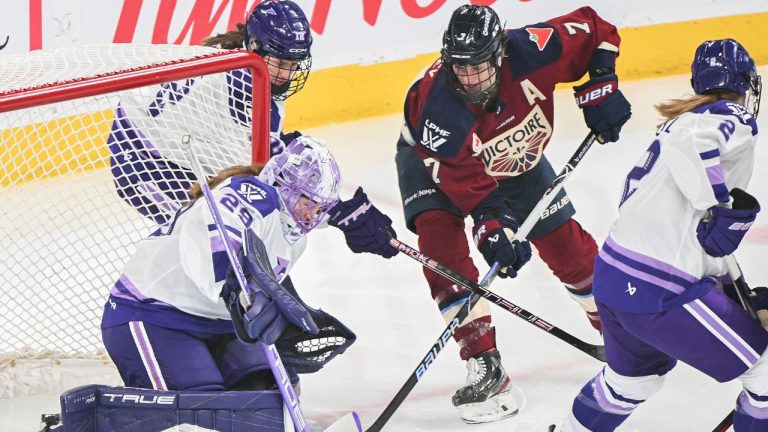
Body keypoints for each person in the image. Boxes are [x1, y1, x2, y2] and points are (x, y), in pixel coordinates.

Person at [394, 4, 632, 423]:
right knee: (442, 248)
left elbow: (596, 29)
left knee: (567, 247)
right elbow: (460, 175)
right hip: (435, 163)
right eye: (461, 69)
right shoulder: (437, 106)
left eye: (479, 68)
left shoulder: (533, 48)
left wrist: (602, 83)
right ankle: (483, 360)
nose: (469, 79)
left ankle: (621, 332)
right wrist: (492, 225)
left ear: (500, 53)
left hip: (512, 156)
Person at [551, 38, 764, 432]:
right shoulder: (728, 115)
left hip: (614, 277)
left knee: (630, 383)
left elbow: (673, 224)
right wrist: (715, 200)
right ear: (745, 85)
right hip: (658, 291)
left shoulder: (679, 122)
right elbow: (694, 149)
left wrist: (737, 290)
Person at [107, 0, 397, 259]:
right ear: (256, 47)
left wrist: (339, 209)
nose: (287, 74)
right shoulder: (243, 90)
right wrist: (339, 213)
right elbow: (271, 180)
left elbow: (268, 153)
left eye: (294, 64)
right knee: (228, 240)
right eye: (281, 63)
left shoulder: (241, 57)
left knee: (244, 232)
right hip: (142, 162)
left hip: (168, 141)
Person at [101, 136, 355, 398]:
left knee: (271, 393)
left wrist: (286, 315)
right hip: (152, 313)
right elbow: (218, 256)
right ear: (285, 186)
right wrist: (239, 288)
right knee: (199, 408)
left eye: (320, 207)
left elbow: (260, 286)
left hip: (222, 324)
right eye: (308, 202)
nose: (312, 215)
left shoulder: (295, 238)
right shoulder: (250, 196)